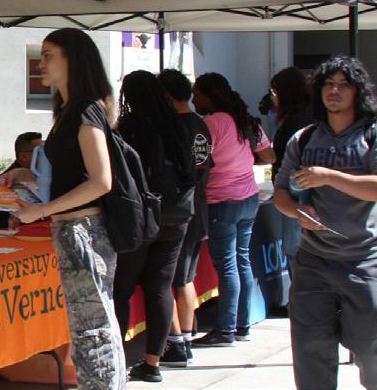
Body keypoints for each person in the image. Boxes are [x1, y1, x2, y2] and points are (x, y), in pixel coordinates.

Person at [273, 56, 377, 390]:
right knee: (311, 353)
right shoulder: (303, 139)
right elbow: (280, 193)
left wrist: (328, 176)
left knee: (372, 350)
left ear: (359, 92)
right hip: (313, 263)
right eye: (328, 84)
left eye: (344, 85)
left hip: (364, 261)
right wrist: (297, 211)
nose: (335, 91)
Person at [6, 28, 125, 389]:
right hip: (74, 230)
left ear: (72, 59)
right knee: (91, 327)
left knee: (93, 330)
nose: (40, 63)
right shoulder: (70, 110)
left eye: (48, 55)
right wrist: (27, 176)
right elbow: (73, 174)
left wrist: (42, 211)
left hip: (84, 232)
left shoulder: (85, 111)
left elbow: (101, 181)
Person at [112, 71, 198, 383]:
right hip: (177, 215)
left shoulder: (128, 129)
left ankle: (118, 361)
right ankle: (153, 363)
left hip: (141, 217)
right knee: (160, 288)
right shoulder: (177, 124)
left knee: (121, 290)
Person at [190, 72, 274, 347]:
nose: (193, 100)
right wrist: (243, 161)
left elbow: (197, 163)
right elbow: (269, 155)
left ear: (210, 95)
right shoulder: (245, 119)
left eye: (197, 94)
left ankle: (225, 330)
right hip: (248, 198)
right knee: (241, 261)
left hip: (221, 200)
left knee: (227, 266)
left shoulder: (209, 124)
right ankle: (242, 326)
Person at [156, 69, 213, 368]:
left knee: (166, 279)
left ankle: (176, 343)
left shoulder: (172, 127)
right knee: (185, 277)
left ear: (165, 96)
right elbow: (203, 164)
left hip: (176, 209)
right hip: (197, 206)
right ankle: (186, 339)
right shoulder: (200, 124)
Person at [270, 66, 316, 271]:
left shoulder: (296, 122)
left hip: (299, 195)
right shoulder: (302, 116)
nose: (273, 96)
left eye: (275, 91)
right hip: (295, 195)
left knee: (296, 251)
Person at [0, 132, 43, 229]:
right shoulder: (8, 181)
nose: (46, 157)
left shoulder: (41, 176)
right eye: (40, 152)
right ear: (23, 156)